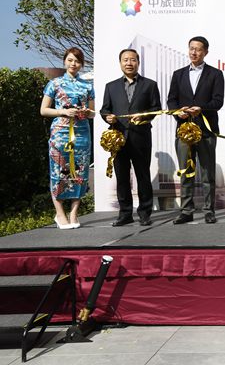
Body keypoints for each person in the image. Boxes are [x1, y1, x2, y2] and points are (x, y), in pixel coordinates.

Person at [100, 48, 162, 226]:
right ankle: (125, 213)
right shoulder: (111, 86)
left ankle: (145, 213)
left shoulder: (150, 85)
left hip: (141, 137)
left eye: (133, 60)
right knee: (121, 177)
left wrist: (143, 116)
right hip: (118, 138)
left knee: (143, 176)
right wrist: (107, 117)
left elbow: (156, 108)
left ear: (138, 63)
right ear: (120, 63)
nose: (129, 63)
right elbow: (105, 109)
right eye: (125, 60)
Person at [167, 36, 225, 224]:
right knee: (186, 172)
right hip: (184, 131)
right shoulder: (178, 74)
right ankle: (186, 211)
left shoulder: (215, 74)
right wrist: (179, 113)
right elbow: (171, 100)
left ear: (205, 52)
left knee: (207, 173)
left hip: (206, 131)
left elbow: (218, 101)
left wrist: (201, 109)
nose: (194, 52)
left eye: (198, 49)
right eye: (191, 48)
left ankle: (209, 210)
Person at [39, 47, 95, 229]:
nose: (73, 64)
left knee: (80, 173)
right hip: (60, 134)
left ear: (82, 64)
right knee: (58, 172)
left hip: (82, 134)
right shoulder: (54, 84)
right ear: (64, 61)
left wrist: (86, 112)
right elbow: (43, 110)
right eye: (70, 60)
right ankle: (59, 214)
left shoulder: (88, 85)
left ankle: (74, 214)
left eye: (77, 61)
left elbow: (93, 113)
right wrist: (63, 111)